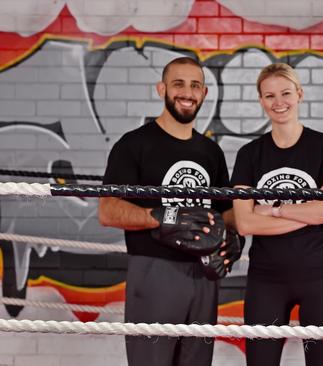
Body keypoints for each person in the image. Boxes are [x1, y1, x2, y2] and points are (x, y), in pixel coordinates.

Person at [98, 57, 241, 366]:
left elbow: (226, 213)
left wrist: (233, 237)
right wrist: (160, 216)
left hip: (204, 273)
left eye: (195, 86)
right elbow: (108, 210)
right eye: (178, 84)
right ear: (161, 88)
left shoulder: (210, 151)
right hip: (154, 271)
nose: (187, 93)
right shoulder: (134, 144)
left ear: (203, 94)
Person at [231, 63, 323, 366]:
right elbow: (245, 222)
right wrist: (310, 212)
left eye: (286, 93)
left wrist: (274, 210)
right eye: (269, 95)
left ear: (299, 94)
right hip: (266, 278)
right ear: (260, 100)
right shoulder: (249, 154)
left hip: (319, 275)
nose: (278, 102)